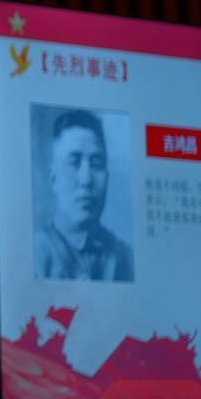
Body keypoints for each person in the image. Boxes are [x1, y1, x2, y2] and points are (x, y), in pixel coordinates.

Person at [33, 109, 134, 281]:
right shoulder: (35, 254)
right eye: (74, 162)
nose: (86, 179)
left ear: (107, 177)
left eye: (96, 163)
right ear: (53, 179)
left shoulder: (126, 258)